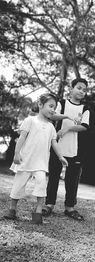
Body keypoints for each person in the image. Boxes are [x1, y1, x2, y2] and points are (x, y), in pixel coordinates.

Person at [4, 93, 68, 224]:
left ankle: (38, 212)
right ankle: (12, 210)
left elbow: (54, 143)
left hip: (41, 163)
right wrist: (16, 154)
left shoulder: (51, 127)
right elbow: (21, 138)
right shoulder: (30, 120)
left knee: (41, 185)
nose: (52, 109)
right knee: (18, 185)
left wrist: (61, 156)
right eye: (50, 106)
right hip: (25, 160)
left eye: (54, 107)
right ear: (40, 105)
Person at [42, 78, 90, 221]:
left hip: (76, 149)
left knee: (72, 179)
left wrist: (68, 128)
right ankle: (49, 204)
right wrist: (67, 117)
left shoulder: (85, 108)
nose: (82, 91)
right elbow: (53, 115)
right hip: (57, 146)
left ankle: (70, 207)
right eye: (79, 88)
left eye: (84, 90)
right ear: (72, 88)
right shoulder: (62, 103)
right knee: (54, 176)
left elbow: (85, 126)